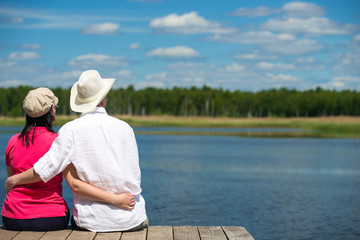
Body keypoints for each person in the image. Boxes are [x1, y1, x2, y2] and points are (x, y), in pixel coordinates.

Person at [5, 70, 148, 232]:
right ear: (102, 99)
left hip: (92, 221)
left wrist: (13, 180)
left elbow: (46, 171)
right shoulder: (126, 128)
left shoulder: (69, 130)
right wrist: (117, 200)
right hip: (132, 217)